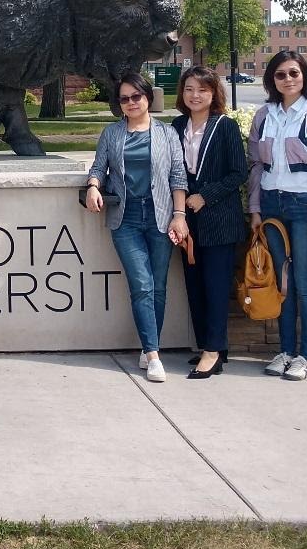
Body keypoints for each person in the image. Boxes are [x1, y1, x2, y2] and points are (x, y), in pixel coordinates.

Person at [84, 72, 189, 383]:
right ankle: (154, 355)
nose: (130, 103)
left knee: (158, 287)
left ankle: (148, 346)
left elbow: (178, 177)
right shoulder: (112, 134)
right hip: (125, 218)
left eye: (136, 97)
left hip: (160, 216)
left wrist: (179, 214)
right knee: (141, 284)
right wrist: (93, 186)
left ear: (148, 98)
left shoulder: (168, 134)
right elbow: (98, 166)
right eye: (124, 99)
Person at [247, 51, 307, 382]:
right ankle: (285, 350)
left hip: (304, 206)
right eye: (280, 75)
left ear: (304, 76)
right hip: (273, 203)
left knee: (304, 281)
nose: (288, 79)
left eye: (294, 73)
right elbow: (256, 165)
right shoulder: (264, 115)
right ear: (272, 80)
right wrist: (255, 208)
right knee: (281, 282)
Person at [170, 66, 247, 380]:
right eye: (189, 89)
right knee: (195, 286)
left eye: (202, 89)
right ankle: (210, 345)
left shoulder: (224, 127)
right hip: (187, 222)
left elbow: (238, 172)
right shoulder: (176, 125)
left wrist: (205, 195)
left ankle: (213, 351)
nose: (195, 95)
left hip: (219, 220)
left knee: (215, 287)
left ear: (214, 93)